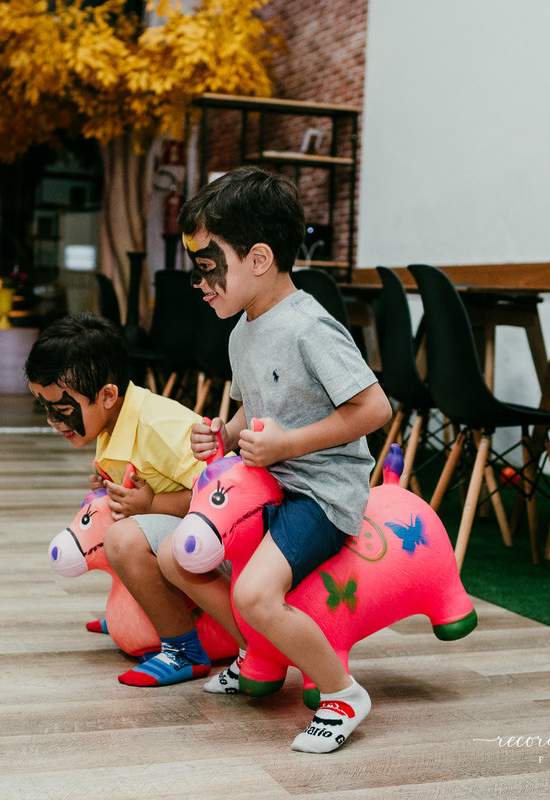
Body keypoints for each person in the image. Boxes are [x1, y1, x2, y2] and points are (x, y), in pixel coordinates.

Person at [157, 166, 392, 753]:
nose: (201, 283)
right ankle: (259, 653)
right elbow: (254, 411)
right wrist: (225, 436)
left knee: (253, 594)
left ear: (258, 258)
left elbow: (374, 409)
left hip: (320, 491)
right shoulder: (243, 330)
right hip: (267, 480)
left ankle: (342, 693)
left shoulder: (310, 327)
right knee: (177, 555)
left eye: (209, 268)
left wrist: (286, 445)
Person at [24, 313, 220, 687]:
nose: (53, 420)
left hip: (219, 543)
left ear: (108, 396)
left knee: (123, 538)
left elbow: (219, 497)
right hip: (181, 533)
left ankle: (184, 649)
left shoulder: (157, 428)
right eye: (44, 408)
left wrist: (150, 506)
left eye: (62, 410)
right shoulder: (114, 419)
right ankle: (133, 610)